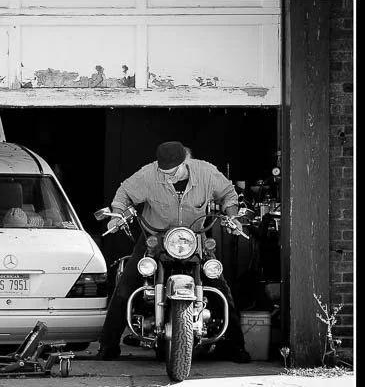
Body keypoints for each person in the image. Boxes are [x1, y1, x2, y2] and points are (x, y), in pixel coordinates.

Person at [96, 141, 251, 363]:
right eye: (163, 172)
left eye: (171, 172)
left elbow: (228, 193)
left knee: (219, 285)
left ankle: (236, 346)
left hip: (193, 237)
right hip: (154, 237)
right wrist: (118, 214)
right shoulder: (149, 174)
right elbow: (124, 193)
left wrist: (233, 216)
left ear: (184, 164)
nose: (167, 176)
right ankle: (108, 345)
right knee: (126, 286)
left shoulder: (206, 173)